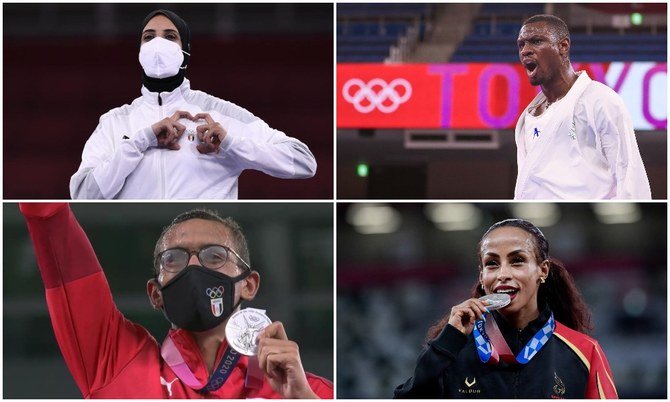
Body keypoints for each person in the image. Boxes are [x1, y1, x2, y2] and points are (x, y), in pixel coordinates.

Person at [19, 203, 333, 398]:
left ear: (248, 284)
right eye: (174, 259)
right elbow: (46, 213)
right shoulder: (115, 363)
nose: (194, 267)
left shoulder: (307, 389)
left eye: (214, 256)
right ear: (155, 293)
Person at [69, 9, 317, 199]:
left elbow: (303, 161)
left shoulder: (220, 113)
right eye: (149, 37)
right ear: (139, 51)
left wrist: (231, 143)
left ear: (185, 51)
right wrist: (141, 140)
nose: (158, 44)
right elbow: (83, 194)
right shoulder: (114, 121)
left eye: (170, 37)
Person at [394, 219, 618, 398]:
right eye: (492, 263)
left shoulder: (584, 352)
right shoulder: (454, 350)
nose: (503, 274)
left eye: (517, 260)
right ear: (482, 276)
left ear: (543, 270)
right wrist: (446, 343)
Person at [514, 14, 651, 200]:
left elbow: (630, 177)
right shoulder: (528, 117)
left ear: (563, 46)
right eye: (521, 44)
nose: (525, 51)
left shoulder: (600, 100)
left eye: (536, 41)